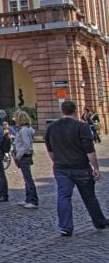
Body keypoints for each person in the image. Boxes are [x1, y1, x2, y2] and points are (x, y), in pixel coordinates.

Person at [45, 100, 108, 236]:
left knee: (63, 196)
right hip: (81, 167)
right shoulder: (82, 127)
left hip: (61, 168)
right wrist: (95, 167)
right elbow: (89, 150)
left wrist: (56, 161)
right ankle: (100, 222)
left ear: (62, 111)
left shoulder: (52, 127)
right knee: (89, 197)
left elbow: (50, 149)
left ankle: (65, 227)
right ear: (75, 110)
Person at [13, 110, 38, 208]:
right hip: (25, 155)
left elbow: (26, 144)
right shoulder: (27, 129)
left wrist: (18, 155)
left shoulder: (23, 131)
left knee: (28, 179)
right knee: (27, 178)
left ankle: (33, 200)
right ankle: (29, 199)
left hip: (24, 156)